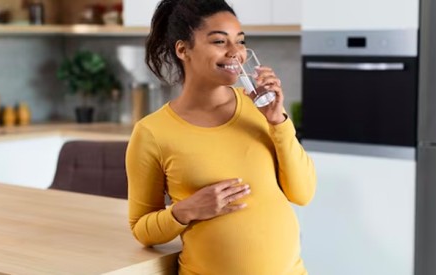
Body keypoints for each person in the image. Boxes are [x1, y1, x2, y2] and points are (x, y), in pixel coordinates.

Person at [125, 0, 317, 274]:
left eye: (240, 41)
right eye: (219, 41)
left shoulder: (262, 109)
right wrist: (186, 211)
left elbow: (303, 193)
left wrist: (278, 121)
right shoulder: (152, 132)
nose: (236, 53)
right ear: (183, 49)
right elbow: (142, 230)